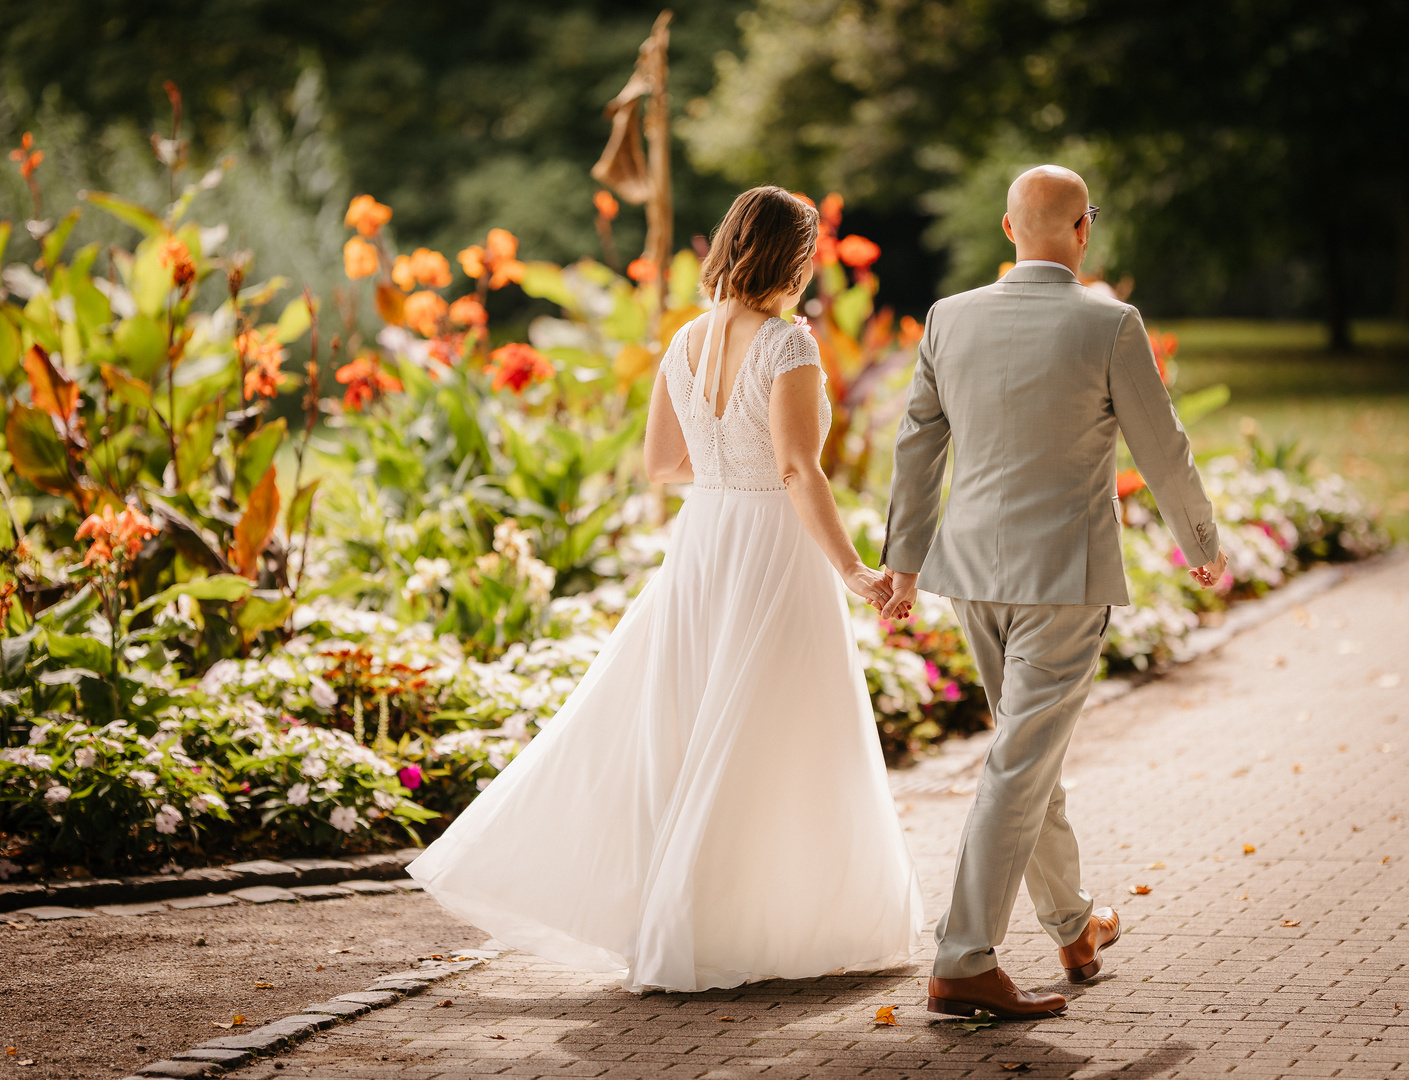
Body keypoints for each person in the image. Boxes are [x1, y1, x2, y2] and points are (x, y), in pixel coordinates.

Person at [410, 186, 923, 993]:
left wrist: (725, 473)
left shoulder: (684, 340)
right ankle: (745, 921)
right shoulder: (787, 345)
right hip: (768, 547)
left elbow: (660, 463)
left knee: (700, 724)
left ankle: (694, 918)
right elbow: (796, 469)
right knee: (775, 730)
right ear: (793, 256)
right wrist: (853, 568)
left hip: (704, 541)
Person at [880, 165, 1228, 1020]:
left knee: (1025, 755)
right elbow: (1162, 444)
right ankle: (962, 959)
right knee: (1020, 760)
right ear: (1082, 230)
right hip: (1062, 579)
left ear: (1006, 229)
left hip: (970, 576)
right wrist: (1201, 542)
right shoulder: (1109, 323)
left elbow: (917, 445)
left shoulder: (947, 318)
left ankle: (1073, 926)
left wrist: (903, 561)